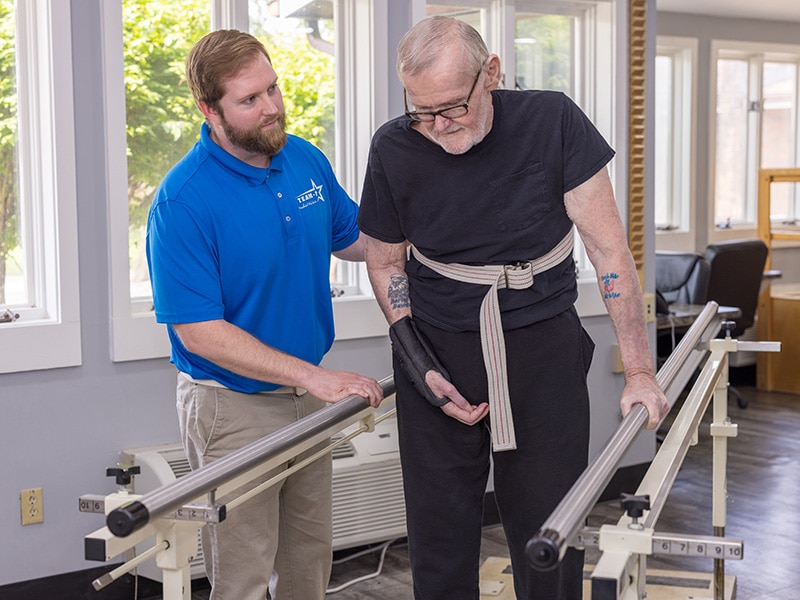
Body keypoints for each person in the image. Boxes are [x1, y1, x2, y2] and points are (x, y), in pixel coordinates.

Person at [358, 16, 669, 600]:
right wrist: (418, 362)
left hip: (541, 347)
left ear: (492, 73)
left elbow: (608, 251)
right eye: (421, 112)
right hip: (437, 350)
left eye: (453, 107)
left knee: (550, 531)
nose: (439, 126)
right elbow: (385, 264)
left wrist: (638, 370)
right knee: (438, 534)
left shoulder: (552, 121)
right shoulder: (394, 146)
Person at [146, 29, 384, 600]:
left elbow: (354, 239)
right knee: (244, 576)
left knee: (308, 562)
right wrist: (315, 377)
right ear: (209, 109)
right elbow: (200, 333)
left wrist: (432, 237)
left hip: (307, 397)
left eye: (272, 88)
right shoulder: (183, 201)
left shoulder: (302, 157)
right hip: (233, 406)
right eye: (249, 99)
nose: (272, 106)